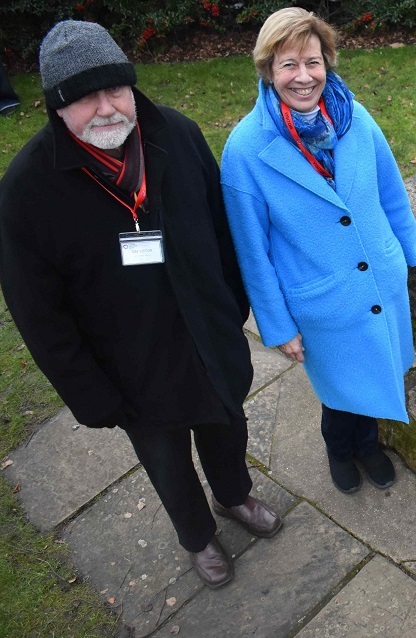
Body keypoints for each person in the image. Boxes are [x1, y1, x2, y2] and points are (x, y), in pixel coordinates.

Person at [0, 21, 283, 589]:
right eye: (85, 98)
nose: (107, 108)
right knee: (166, 458)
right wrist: (90, 393)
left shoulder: (176, 133)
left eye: (115, 89)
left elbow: (223, 228)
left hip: (208, 336)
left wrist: (231, 308)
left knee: (228, 427)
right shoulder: (27, 189)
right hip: (131, 367)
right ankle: (197, 536)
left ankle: (233, 495)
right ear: (56, 107)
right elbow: (38, 313)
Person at [221, 8, 416, 495]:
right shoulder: (245, 150)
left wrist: (412, 248)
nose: (304, 76)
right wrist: (277, 326)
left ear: (327, 62)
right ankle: (339, 448)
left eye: (313, 62)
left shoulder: (355, 115)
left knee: (379, 366)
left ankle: (369, 446)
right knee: (339, 388)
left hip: (380, 282)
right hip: (323, 300)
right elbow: (251, 251)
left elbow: (391, 191)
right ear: (268, 69)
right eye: (289, 65)